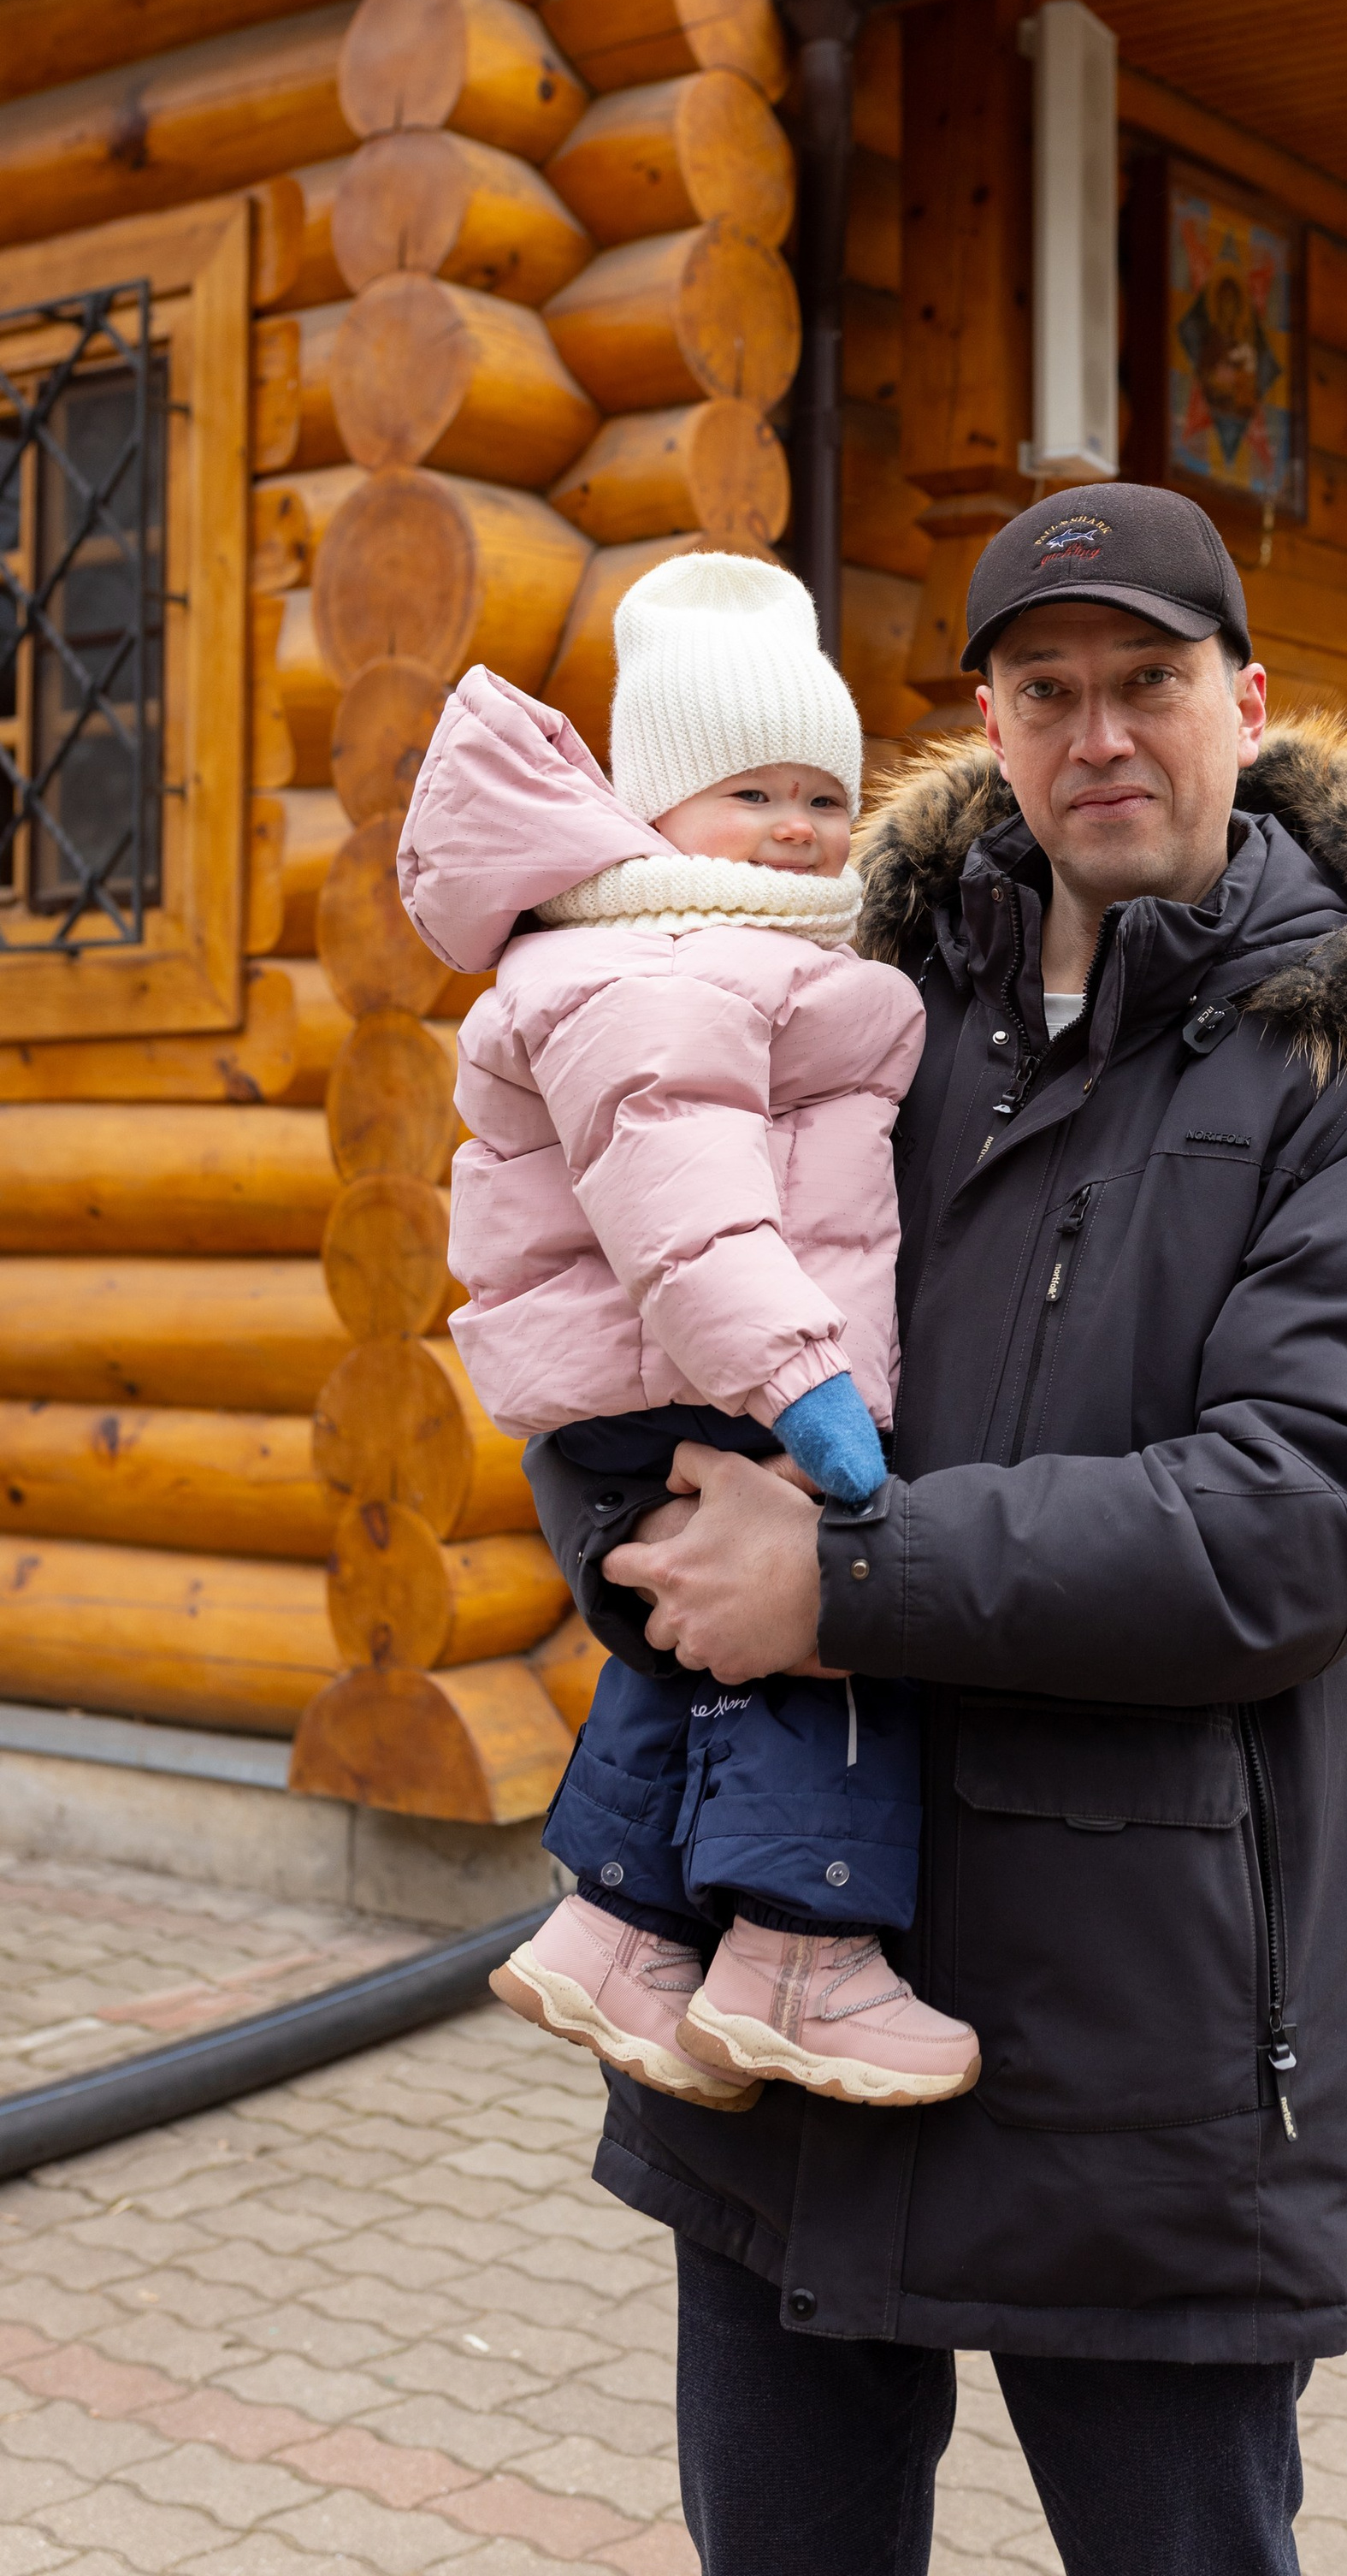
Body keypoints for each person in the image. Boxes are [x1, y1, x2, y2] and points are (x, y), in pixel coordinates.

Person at [520, 484, 1347, 2576]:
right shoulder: (835, 997)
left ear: (1242, 701)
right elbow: (621, 1332)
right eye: (1045, 692)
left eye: (1147, 682)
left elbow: (1302, 1520)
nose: (1099, 737)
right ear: (986, 715)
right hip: (782, 1982)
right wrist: (629, 1536)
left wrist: (834, 1581)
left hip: (1138, 2030)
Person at [397, 550, 980, 2115]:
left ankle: (620, 1925)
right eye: (750, 794)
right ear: (656, 812)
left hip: (676, 1365)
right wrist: (810, 1395)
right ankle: (805, 1953)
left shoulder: (709, 935)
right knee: (816, 1629)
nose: (795, 828)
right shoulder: (668, 959)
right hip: (711, 1361)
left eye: (820, 795)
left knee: (692, 1643)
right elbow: (687, 1208)